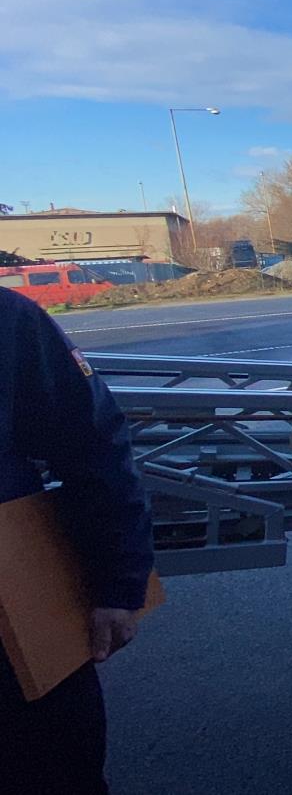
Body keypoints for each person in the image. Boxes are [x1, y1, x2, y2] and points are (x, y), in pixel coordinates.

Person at [1, 287, 156, 794]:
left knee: (52, 770)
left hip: (13, 621)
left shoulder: (8, 319)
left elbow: (91, 447)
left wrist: (118, 587)